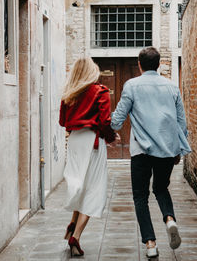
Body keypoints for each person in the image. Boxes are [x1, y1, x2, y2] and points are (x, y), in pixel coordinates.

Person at [111, 47, 191, 258]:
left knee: (140, 197)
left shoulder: (132, 86)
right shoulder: (172, 87)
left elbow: (117, 120)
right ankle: (170, 219)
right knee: (161, 189)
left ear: (140, 64)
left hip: (141, 152)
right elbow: (181, 123)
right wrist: (179, 149)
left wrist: (108, 125)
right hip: (166, 149)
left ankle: (150, 244)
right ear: (159, 64)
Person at [59, 57, 117, 257]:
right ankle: (76, 235)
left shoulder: (69, 94)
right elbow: (104, 121)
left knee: (80, 183)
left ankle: (72, 224)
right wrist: (111, 137)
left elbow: (62, 121)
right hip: (92, 141)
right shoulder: (100, 91)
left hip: (75, 140)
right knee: (94, 188)